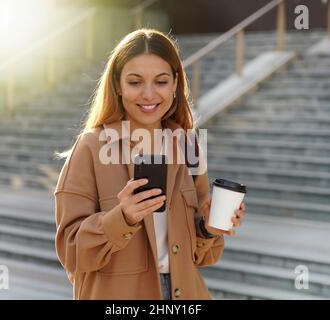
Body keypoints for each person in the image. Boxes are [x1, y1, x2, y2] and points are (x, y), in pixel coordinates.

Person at [54, 28, 245, 300]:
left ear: (176, 83)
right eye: (135, 82)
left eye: (161, 81)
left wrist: (209, 228)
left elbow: (202, 256)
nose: (148, 94)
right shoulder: (91, 147)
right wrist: (123, 218)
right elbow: (71, 253)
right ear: (118, 85)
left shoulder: (188, 145)